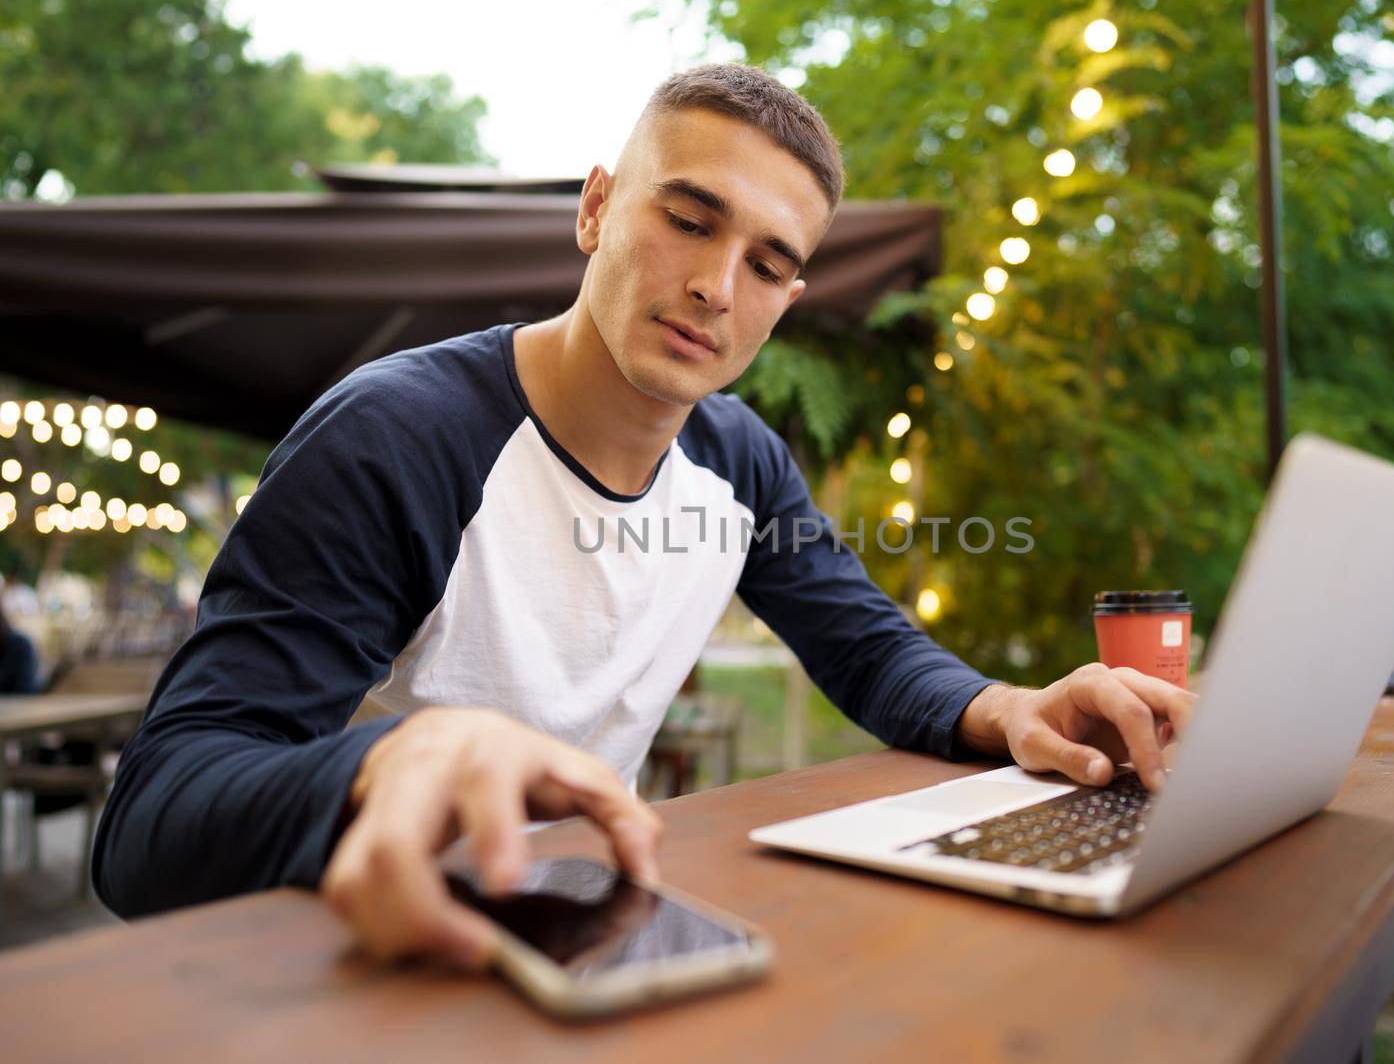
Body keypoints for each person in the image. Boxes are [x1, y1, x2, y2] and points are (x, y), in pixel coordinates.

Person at [92, 64, 1193, 970]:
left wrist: (1013, 707)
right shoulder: (396, 437)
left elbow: (866, 647)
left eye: (767, 263)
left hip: (583, 936)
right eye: (687, 219)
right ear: (595, 208)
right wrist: (391, 758)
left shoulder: (741, 460)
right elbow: (149, 824)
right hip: (349, 957)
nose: (718, 285)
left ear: (785, 302)